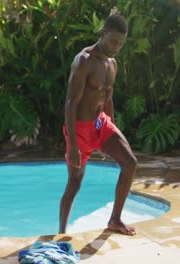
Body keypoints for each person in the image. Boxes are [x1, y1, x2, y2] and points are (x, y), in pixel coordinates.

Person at [59, 12, 137, 236]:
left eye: (121, 44)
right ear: (102, 34)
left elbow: (108, 98)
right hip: (80, 129)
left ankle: (115, 220)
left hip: (100, 124)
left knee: (130, 163)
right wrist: (73, 145)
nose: (116, 47)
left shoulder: (112, 63)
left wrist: (111, 127)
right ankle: (61, 233)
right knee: (74, 183)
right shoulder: (84, 60)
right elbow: (71, 103)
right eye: (113, 41)